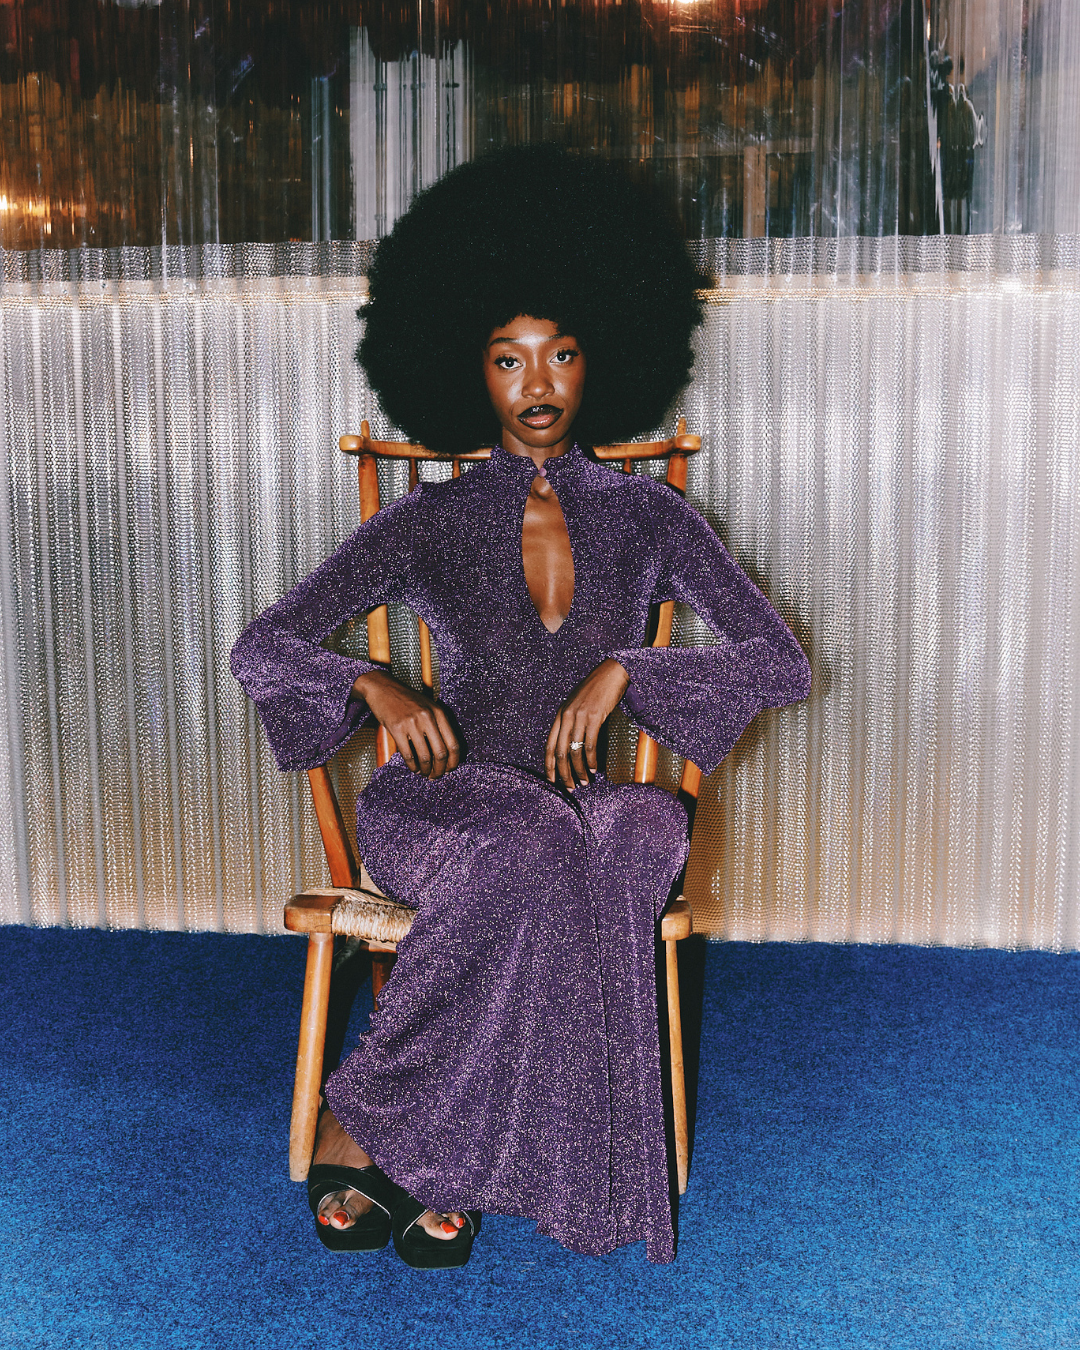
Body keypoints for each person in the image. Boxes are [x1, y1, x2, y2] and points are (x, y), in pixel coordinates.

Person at [231, 144, 810, 1267]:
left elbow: (776, 663)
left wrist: (630, 674)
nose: (537, 386)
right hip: (441, 806)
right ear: (469, 371)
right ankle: (379, 1119)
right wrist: (371, 678)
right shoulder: (428, 518)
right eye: (507, 360)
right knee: (536, 845)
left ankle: (441, 1140)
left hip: (573, 804)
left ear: (605, 362)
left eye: (562, 355)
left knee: (639, 827)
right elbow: (264, 644)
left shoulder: (651, 519)